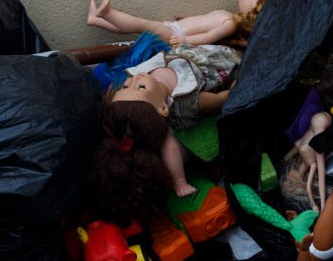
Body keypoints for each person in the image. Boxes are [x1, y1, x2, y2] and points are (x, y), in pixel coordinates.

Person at [89, 41, 241, 231]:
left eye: (126, 85)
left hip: (194, 51)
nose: (135, 79)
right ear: (162, 108)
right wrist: (180, 182)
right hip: (222, 62)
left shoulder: (143, 74)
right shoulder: (187, 100)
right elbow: (219, 100)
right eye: (140, 87)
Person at [87, 0, 271, 47]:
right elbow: (201, 22)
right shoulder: (228, 17)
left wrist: (185, 40)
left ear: (252, 12)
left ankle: (108, 14)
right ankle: (95, 19)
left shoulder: (229, 24)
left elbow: (208, 37)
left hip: (176, 35)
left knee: (140, 24)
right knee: (133, 28)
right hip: (175, 27)